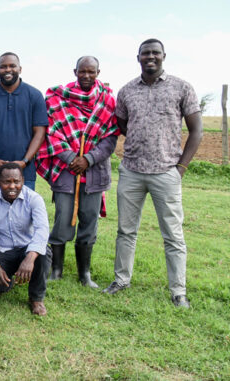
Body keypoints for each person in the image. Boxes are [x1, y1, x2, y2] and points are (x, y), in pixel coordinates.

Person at [102, 39, 202, 309]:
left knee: (173, 234)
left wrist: (181, 167)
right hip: (131, 171)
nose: (150, 57)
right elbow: (123, 124)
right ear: (138, 57)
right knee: (125, 230)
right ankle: (121, 280)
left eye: (155, 53)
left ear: (164, 56)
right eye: (145, 53)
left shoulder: (181, 87)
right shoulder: (126, 91)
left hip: (167, 172)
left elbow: (196, 131)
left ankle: (178, 291)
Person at [35, 56, 119, 287]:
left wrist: (89, 159)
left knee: (89, 219)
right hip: (66, 169)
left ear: (98, 72)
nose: (87, 76)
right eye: (82, 71)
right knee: (63, 217)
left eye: (91, 72)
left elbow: (111, 137)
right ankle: (56, 270)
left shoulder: (108, 100)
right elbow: (50, 132)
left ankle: (85, 274)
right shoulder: (57, 99)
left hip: (94, 171)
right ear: (75, 72)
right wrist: (72, 158)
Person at [0, 163, 51, 316]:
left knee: (43, 253)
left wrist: (29, 259)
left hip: (25, 249)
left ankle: (36, 298)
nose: (12, 186)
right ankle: (4, 285)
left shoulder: (34, 199)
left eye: (16, 181)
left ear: (22, 180)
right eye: (6, 182)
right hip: (1, 252)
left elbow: (42, 231)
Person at [0, 52, 47, 195]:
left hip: (24, 173)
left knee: (22, 216)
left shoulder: (35, 95)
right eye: (3, 67)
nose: (8, 70)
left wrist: (25, 161)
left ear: (20, 69)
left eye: (12, 66)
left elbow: (40, 132)